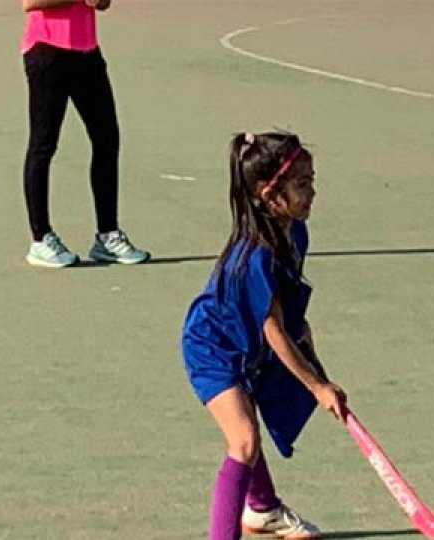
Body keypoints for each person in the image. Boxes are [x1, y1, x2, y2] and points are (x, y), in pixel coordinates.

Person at [181, 132, 347, 540]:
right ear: (269, 194)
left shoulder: (295, 232)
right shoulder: (257, 254)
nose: (312, 192)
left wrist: (306, 340)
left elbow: (286, 313)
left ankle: (263, 510)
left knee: (254, 426)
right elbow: (271, 330)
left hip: (248, 343)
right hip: (214, 348)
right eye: (302, 184)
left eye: (312, 180)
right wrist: (318, 385)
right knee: (244, 439)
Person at [20, 0, 149, 267]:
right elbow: (31, 2)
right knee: (43, 145)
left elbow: (101, 4)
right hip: (47, 51)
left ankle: (107, 235)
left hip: (87, 53)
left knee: (107, 139)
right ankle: (40, 238)